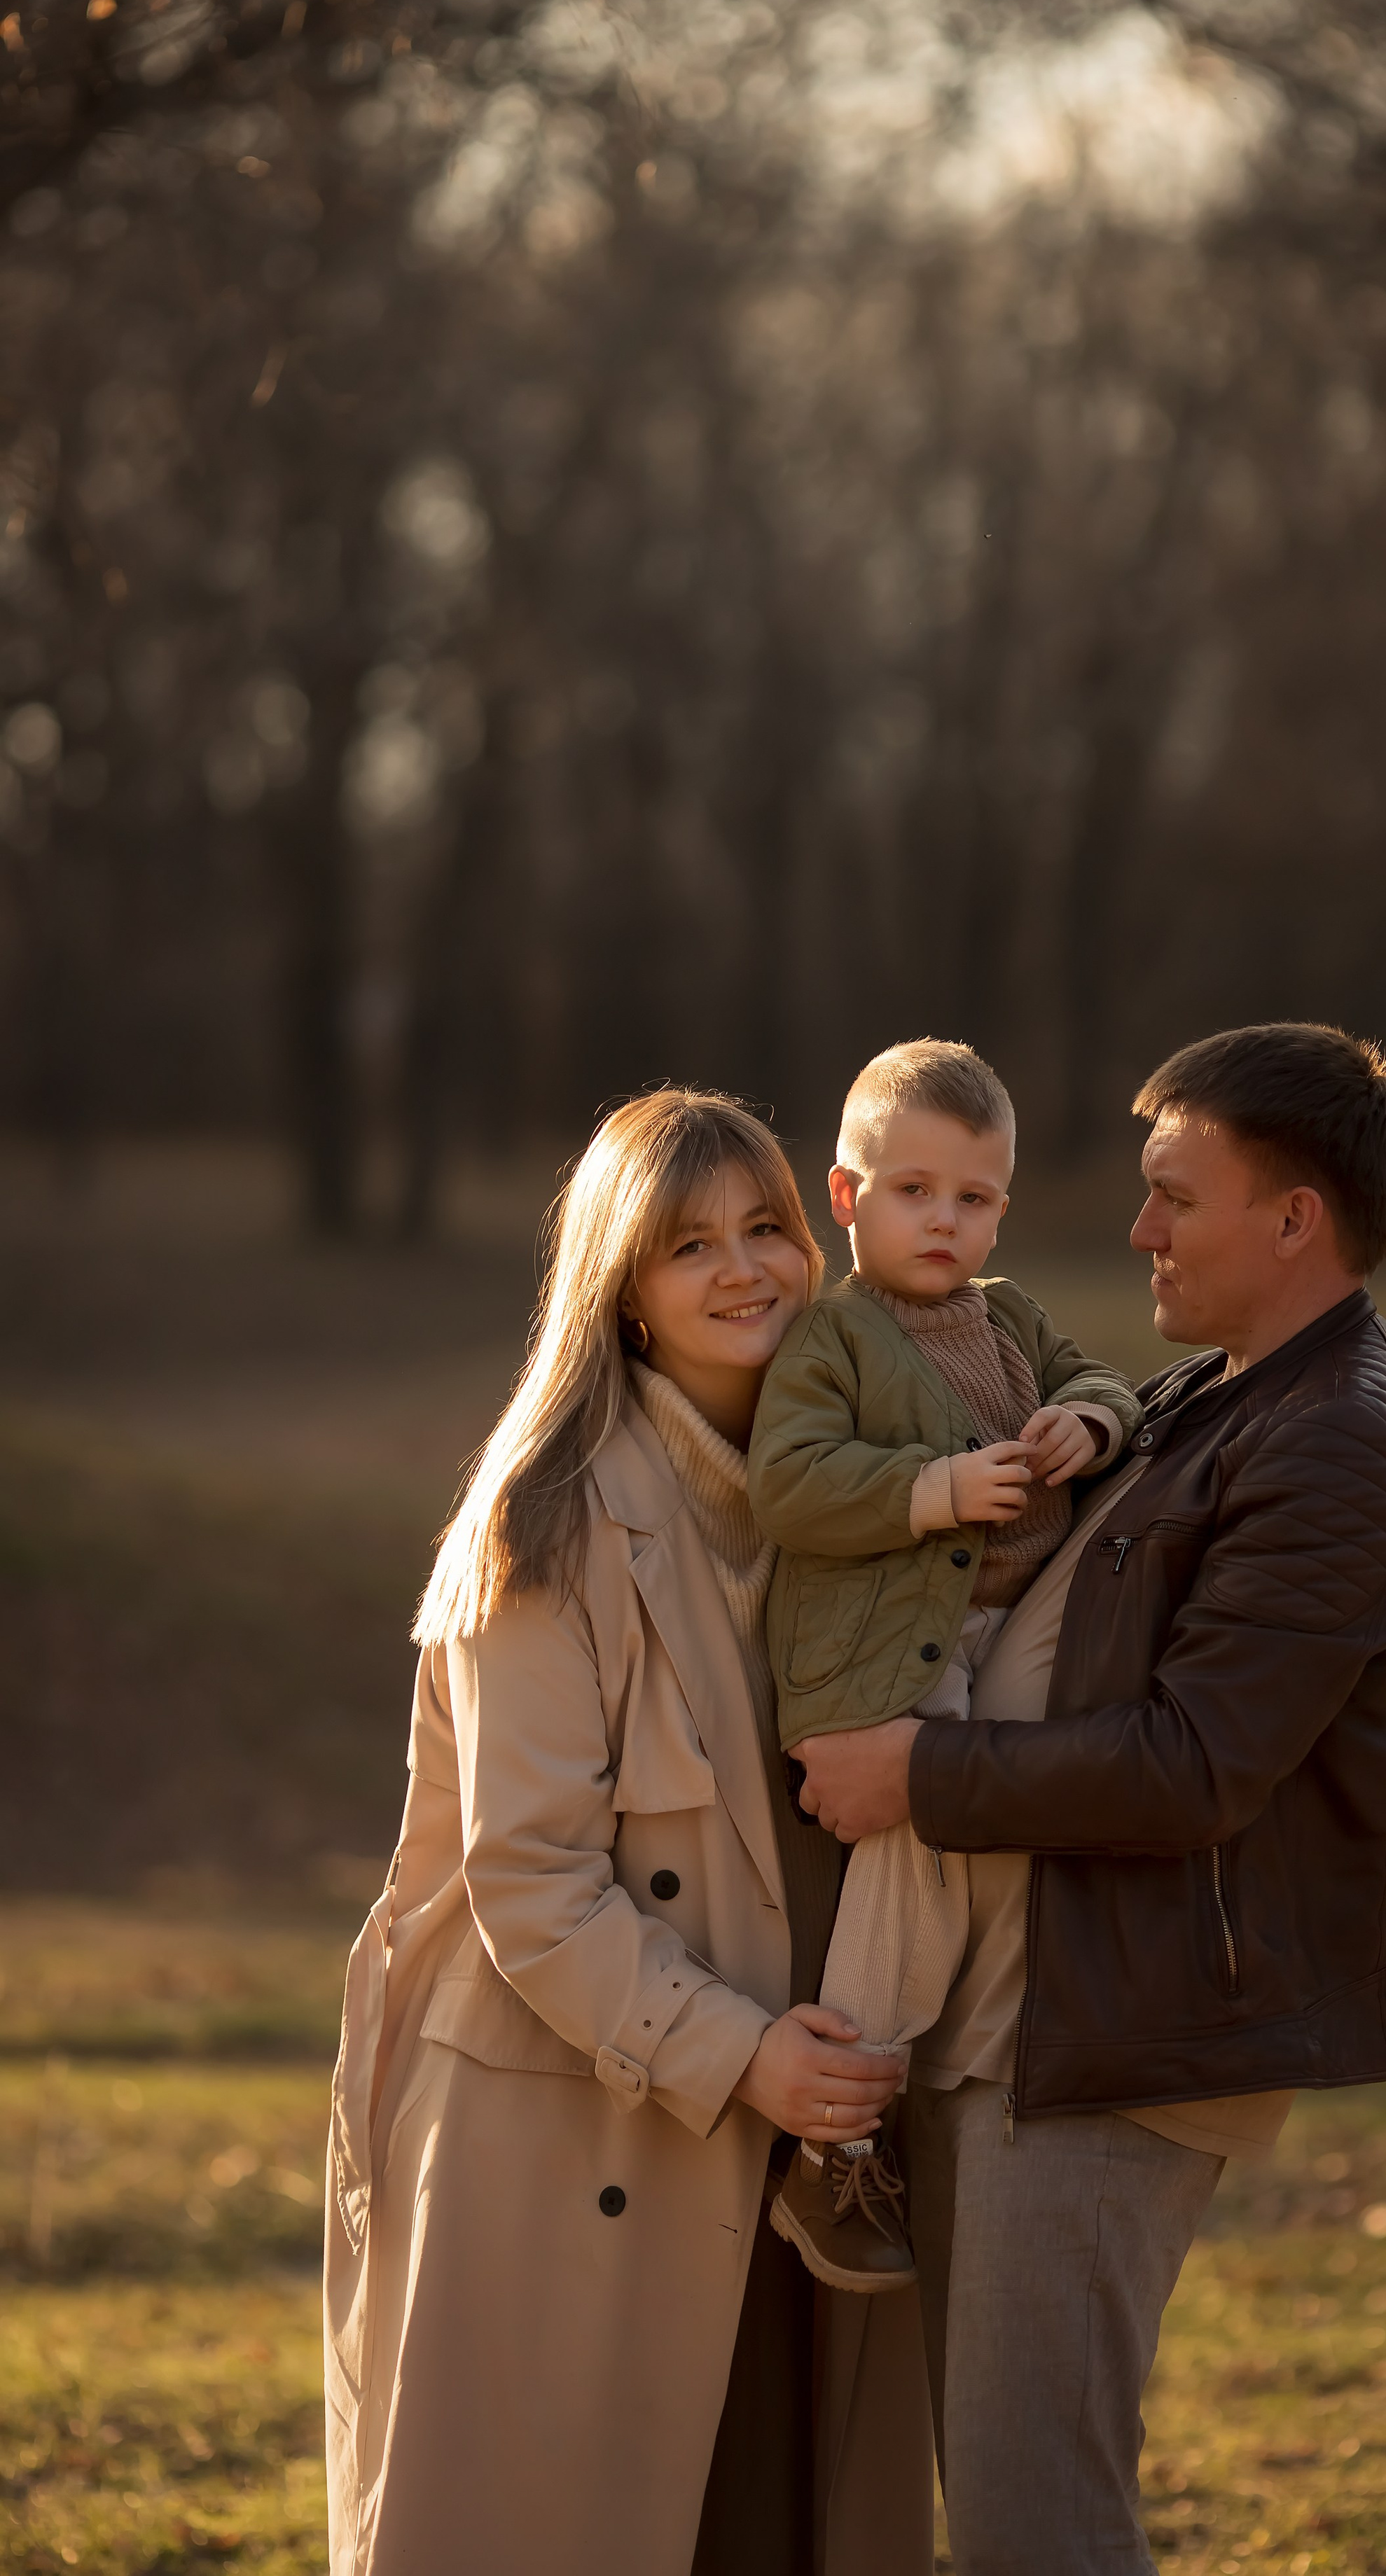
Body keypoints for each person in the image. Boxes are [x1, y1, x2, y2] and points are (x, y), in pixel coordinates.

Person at [794, 1022, 1386, 2576]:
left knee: (1038, 2523)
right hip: (1031, 2009)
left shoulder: (1339, 1445)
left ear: (1293, 1219)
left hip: (1119, 2036)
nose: (1138, 1230)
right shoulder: (1213, 1395)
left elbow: (1193, 1765)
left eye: (1175, 1197)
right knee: (1005, 2499)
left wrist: (916, 1772)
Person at [323, 1089, 934, 2576]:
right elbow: (527, 1880)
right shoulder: (545, 1517)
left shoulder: (852, 1492)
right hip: (588, 2127)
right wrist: (746, 2058)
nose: (744, 1271)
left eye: (767, 1229)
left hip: (805, 2129)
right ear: (624, 1296)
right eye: (686, 1248)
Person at [746, 1040, 1142, 2290]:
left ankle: (912, 2087)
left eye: (973, 1200)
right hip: (882, 1655)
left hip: (997, 1637)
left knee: (984, 1857)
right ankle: (839, 2136)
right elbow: (791, 1485)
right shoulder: (832, 1342)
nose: (944, 1222)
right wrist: (933, 1489)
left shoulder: (1009, 1313)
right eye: (914, 1192)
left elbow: (1102, 1377)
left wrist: (1089, 1420)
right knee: (923, 1836)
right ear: (848, 1197)